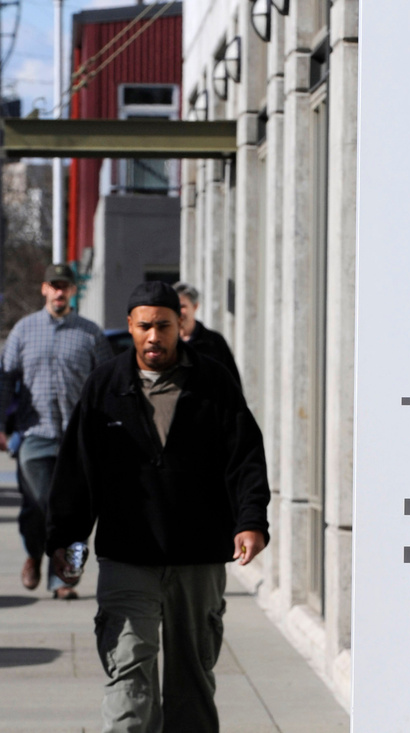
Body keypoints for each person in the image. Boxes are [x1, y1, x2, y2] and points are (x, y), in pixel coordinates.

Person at [47, 280, 270, 733]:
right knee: (127, 675)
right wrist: (66, 543)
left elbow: (244, 457)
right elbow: (76, 470)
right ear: (129, 326)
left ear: (180, 325)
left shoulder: (213, 382)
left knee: (192, 680)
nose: (154, 336)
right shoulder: (105, 385)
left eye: (164, 326)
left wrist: (251, 522)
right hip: (128, 555)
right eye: (145, 326)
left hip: (199, 556)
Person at [0, 262, 113, 599]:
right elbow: (3, 380)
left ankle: (64, 577)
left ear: (73, 291)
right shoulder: (24, 331)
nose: (59, 292)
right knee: (38, 506)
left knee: (77, 509)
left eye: (65, 286)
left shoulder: (90, 334)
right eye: (54, 285)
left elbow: (108, 387)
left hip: (78, 440)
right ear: (44, 289)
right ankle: (34, 553)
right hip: (34, 436)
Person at [172, 281, 242, 390]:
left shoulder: (214, 342)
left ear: (195, 306)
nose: (179, 312)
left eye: (183, 306)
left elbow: (232, 382)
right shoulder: (168, 343)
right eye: (175, 307)